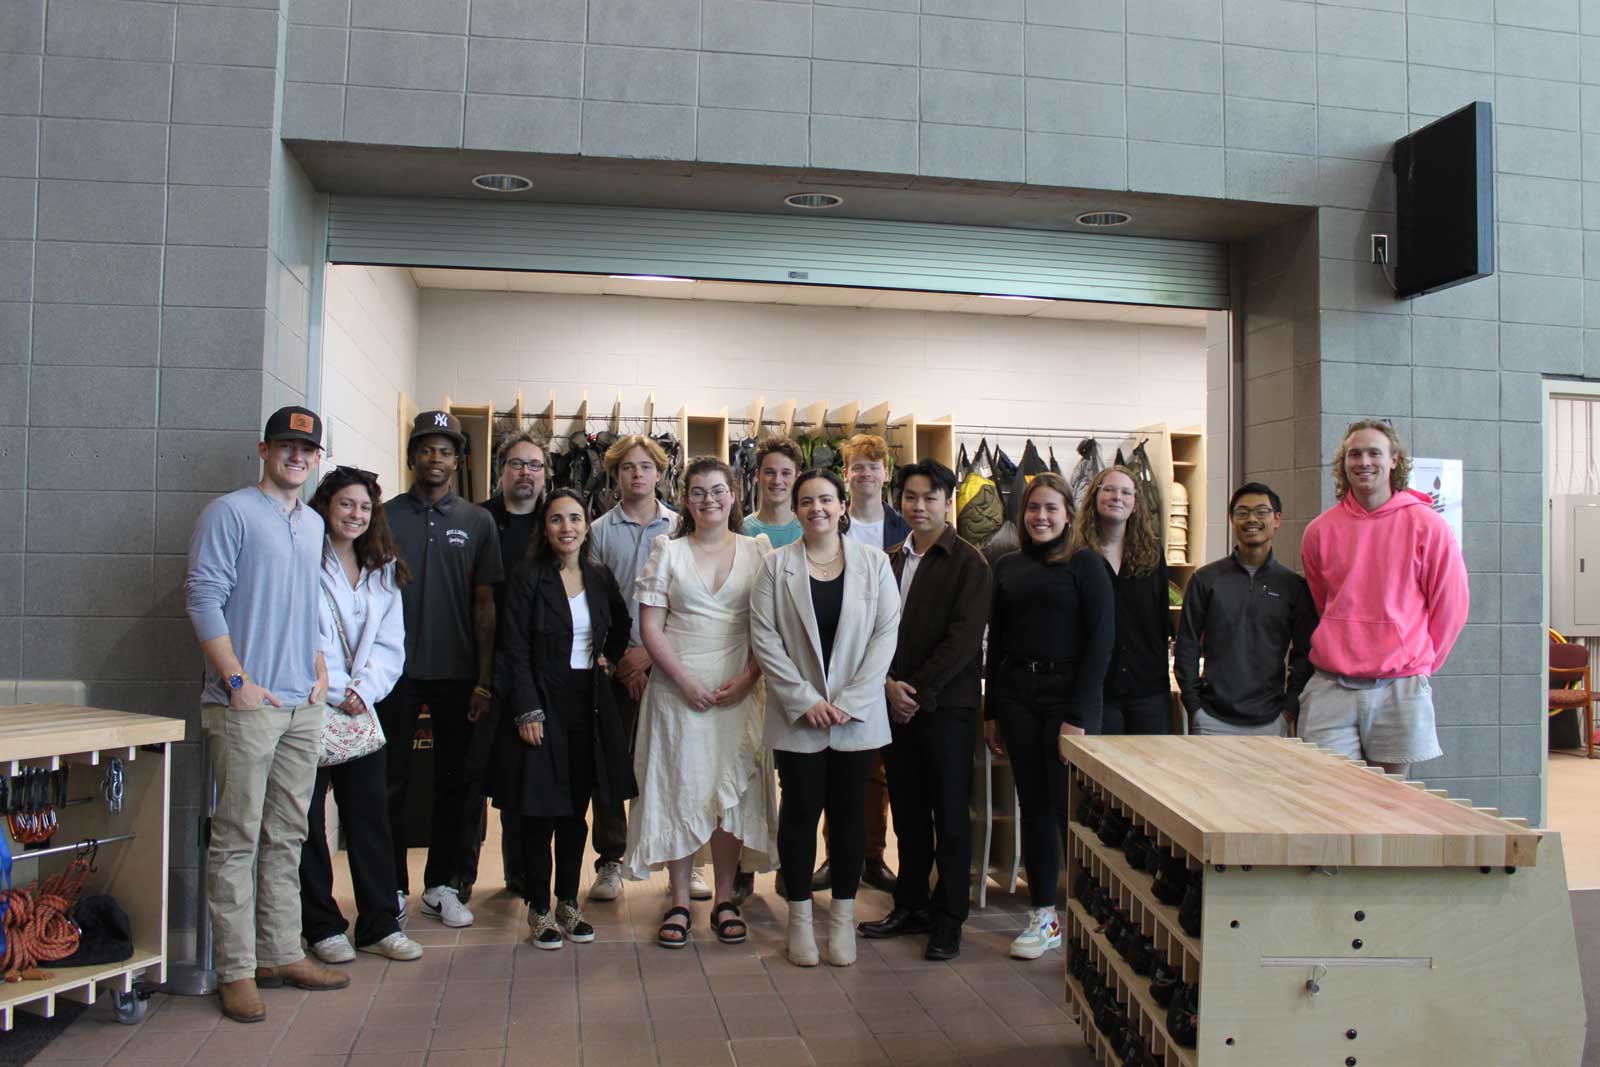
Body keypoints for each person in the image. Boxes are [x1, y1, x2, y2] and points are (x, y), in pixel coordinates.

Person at [185, 406, 347, 1023]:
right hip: (247, 705)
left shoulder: (309, 524)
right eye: (286, 446)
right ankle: (236, 970)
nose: (297, 457)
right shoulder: (229, 514)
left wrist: (319, 671)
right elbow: (203, 596)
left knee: (289, 834)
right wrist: (237, 682)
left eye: (307, 449)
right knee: (237, 838)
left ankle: (280, 950)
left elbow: (305, 603)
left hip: (301, 704)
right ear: (264, 450)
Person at [750, 468, 900, 968]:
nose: (817, 508)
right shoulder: (774, 566)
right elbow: (765, 637)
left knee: (850, 817)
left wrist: (852, 701)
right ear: (796, 509)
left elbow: (885, 636)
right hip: (800, 719)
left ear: (842, 507)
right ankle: (799, 919)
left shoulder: (875, 564)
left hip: (857, 718)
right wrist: (803, 699)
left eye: (826, 500)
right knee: (798, 816)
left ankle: (841, 920)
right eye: (807, 501)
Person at [624, 457, 776, 949]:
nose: (708, 500)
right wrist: (683, 680)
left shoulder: (758, 550)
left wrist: (750, 675)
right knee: (680, 787)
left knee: (730, 794)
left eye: (717, 490)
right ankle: (678, 901)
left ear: (734, 494)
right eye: (697, 492)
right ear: (685, 500)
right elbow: (650, 626)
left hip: (739, 685)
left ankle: (727, 897)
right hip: (677, 687)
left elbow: (768, 625)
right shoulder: (666, 550)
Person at [859, 459, 990, 961]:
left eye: (930, 498)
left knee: (950, 817)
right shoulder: (889, 559)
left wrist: (913, 689)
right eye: (910, 497)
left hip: (947, 711)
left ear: (946, 501)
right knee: (909, 815)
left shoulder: (970, 563)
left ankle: (949, 918)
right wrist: (888, 686)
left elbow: (962, 642)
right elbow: (876, 630)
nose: (919, 506)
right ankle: (910, 904)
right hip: (895, 708)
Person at [379, 411, 504, 929]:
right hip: (391, 674)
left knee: (457, 783)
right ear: (412, 457)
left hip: (457, 675)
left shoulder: (477, 522)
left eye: (446, 450)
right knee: (390, 783)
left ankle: (441, 886)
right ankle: (388, 888)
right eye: (427, 449)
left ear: (458, 460)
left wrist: (482, 678)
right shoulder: (383, 516)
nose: (436, 458)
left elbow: (484, 605)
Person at [984, 472, 1114, 961]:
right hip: (1018, 696)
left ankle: (1094, 911)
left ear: (1067, 515)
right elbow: (996, 643)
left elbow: (1101, 644)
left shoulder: (1087, 565)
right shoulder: (1008, 566)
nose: (1041, 517)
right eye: (1033, 508)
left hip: (1068, 700)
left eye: (1051, 509)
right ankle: (1044, 916)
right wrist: (991, 710)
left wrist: (1079, 715)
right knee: (1033, 806)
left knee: (1070, 810)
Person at [498, 489, 635, 949]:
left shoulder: (598, 576)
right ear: (545, 527)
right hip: (541, 704)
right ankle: (538, 908)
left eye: (575, 518)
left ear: (587, 523)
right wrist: (526, 709)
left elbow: (619, 624)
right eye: (557, 519)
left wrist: (609, 660)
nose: (567, 528)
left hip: (588, 705)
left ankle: (567, 903)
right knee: (541, 813)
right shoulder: (527, 577)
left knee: (576, 814)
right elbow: (513, 648)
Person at [300, 466, 424, 965]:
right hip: (310, 707)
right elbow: (301, 634)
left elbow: (393, 644)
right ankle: (322, 927)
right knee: (308, 822)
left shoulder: (382, 566)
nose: (355, 514)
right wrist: (335, 691)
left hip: (361, 710)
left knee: (370, 819)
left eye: (365, 507)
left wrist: (363, 690)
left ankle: (378, 924)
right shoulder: (303, 559)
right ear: (327, 506)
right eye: (346, 504)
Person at [1299, 420, 1469, 775]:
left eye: (1374, 452)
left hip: (1400, 688)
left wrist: (1418, 664)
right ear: (1343, 464)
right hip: (1332, 686)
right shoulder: (1319, 531)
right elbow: (1323, 601)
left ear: (1394, 461)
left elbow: (1451, 607)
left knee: (1393, 807)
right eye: (1354, 454)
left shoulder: (1428, 526)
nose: (1364, 461)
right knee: (1328, 801)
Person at [588, 434, 709, 902]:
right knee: (611, 766)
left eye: (645, 467)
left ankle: (690, 859)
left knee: (679, 766)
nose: (636, 474)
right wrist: (623, 658)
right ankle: (611, 861)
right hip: (616, 667)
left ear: (660, 473)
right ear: (615, 475)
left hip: (669, 666)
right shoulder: (599, 530)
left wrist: (651, 656)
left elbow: (689, 600)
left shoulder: (681, 527)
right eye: (626, 468)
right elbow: (598, 601)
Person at [467, 431, 549, 900]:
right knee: (472, 773)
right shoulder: (477, 519)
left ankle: (519, 873)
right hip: (480, 665)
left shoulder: (557, 520)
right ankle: (459, 876)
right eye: (517, 464)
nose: (526, 473)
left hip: (534, 671)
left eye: (535, 465)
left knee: (524, 776)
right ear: (501, 470)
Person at [827, 433, 907, 893]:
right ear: (846, 475)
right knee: (835, 762)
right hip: (840, 658)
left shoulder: (904, 527)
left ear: (885, 473)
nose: (864, 474)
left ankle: (872, 857)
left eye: (873, 466)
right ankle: (837, 856)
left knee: (876, 768)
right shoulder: (832, 526)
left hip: (891, 657)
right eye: (856, 466)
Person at [1174, 482, 1317, 737]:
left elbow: (1305, 652)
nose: (1251, 519)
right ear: (1232, 520)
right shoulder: (1206, 579)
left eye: (1261, 511)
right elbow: (1187, 644)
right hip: (1211, 718)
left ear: (1277, 520)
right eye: (1242, 512)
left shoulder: (1292, 586)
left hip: (1271, 720)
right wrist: (1194, 704)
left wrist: (1289, 707)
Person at [1070, 466, 1173, 735]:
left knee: (1149, 772)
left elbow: (1162, 620)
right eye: (1110, 489)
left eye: (1126, 492)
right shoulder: (1076, 556)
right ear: (1094, 496)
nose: (1118, 497)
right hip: (1098, 691)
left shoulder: (1152, 554)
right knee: (1101, 775)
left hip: (1148, 689)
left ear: (1136, 504)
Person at [741, 436, 804, 547]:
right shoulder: (741, 531)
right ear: (757, 475)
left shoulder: (808, 529)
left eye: (786, 473)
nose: (777, 481)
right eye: (770, 472)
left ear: (797, 478)